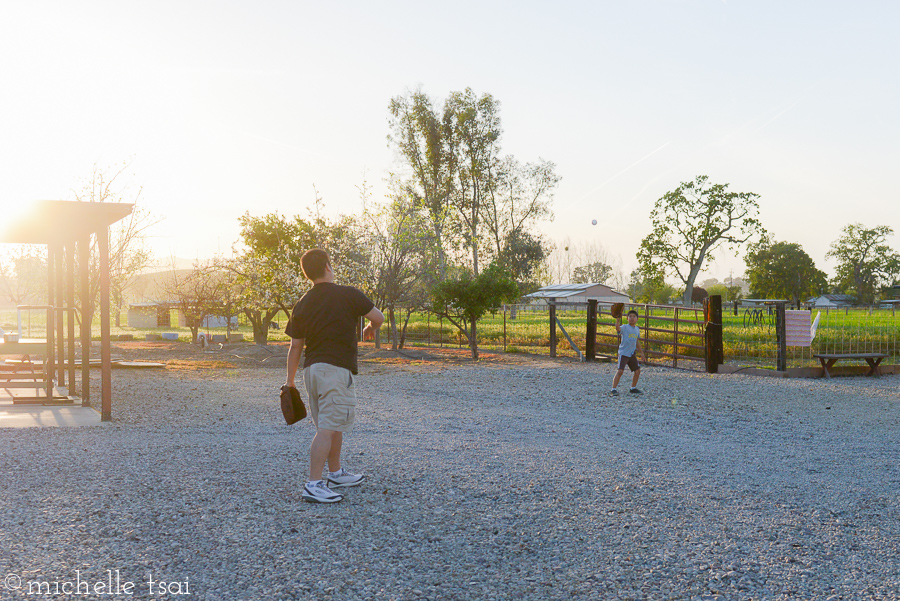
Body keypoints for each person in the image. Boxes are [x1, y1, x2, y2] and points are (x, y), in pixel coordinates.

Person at [285, 249, 384, 504]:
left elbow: (295, 346)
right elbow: (378, 317)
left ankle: (336, 473)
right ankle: (313, 484)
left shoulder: (303, 303)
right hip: (335, 370)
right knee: (328, 429)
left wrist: (290, 381)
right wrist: (370, 328)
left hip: (312, 371)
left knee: (331, 423)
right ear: (328, 267)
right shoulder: (348, 293)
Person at [610, 309, 647, 396]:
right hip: (623, 353)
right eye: (630, 316)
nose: (632, 318)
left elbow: (637, 341)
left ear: (637, 319)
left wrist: (641, 353)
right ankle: (613, 389)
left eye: (634, 316)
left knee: (637, 371)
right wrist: (618, 319)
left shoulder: (637, 329)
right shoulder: (625, 327)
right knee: (620, 371)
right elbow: (618, 328)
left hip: (631, 354)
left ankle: (633, 388)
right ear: (627, 318)